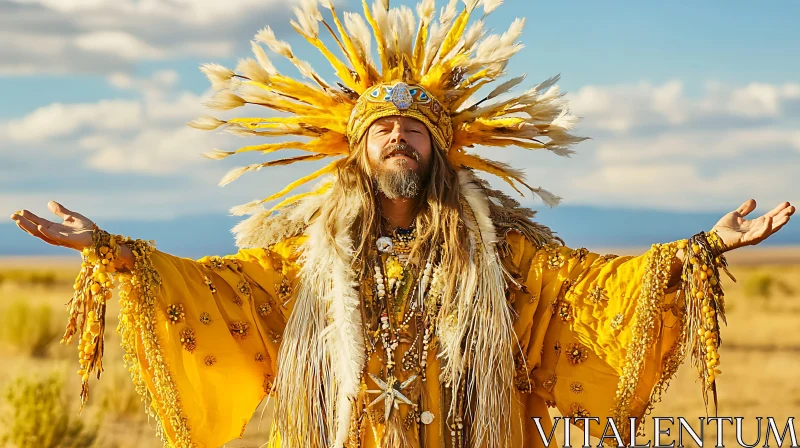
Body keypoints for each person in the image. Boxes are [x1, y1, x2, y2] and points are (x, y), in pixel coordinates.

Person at [9, 1, 795, 447]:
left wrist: (701, 248)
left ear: (439, 151)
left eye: (414, 129)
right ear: (357, 152)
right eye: (381, 128)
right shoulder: (307, 257)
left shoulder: (505, 251)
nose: (397, 135)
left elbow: (593, 287)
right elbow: (217, 291)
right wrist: (115, 252)